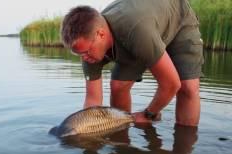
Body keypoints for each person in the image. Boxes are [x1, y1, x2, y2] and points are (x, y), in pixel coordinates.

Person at [60, 0, 204, 126]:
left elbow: (172, 84)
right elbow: (92, 100)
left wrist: (148, 114)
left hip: (177, 19)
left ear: (101, 35)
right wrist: (88, 130)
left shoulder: (136, 30)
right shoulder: (86, 49)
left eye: (86, 52)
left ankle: (184, 153)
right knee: (118, 86)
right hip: (141, 33)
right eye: (79, 53)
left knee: (187, 87)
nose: (84, 57)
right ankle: (122, 144)